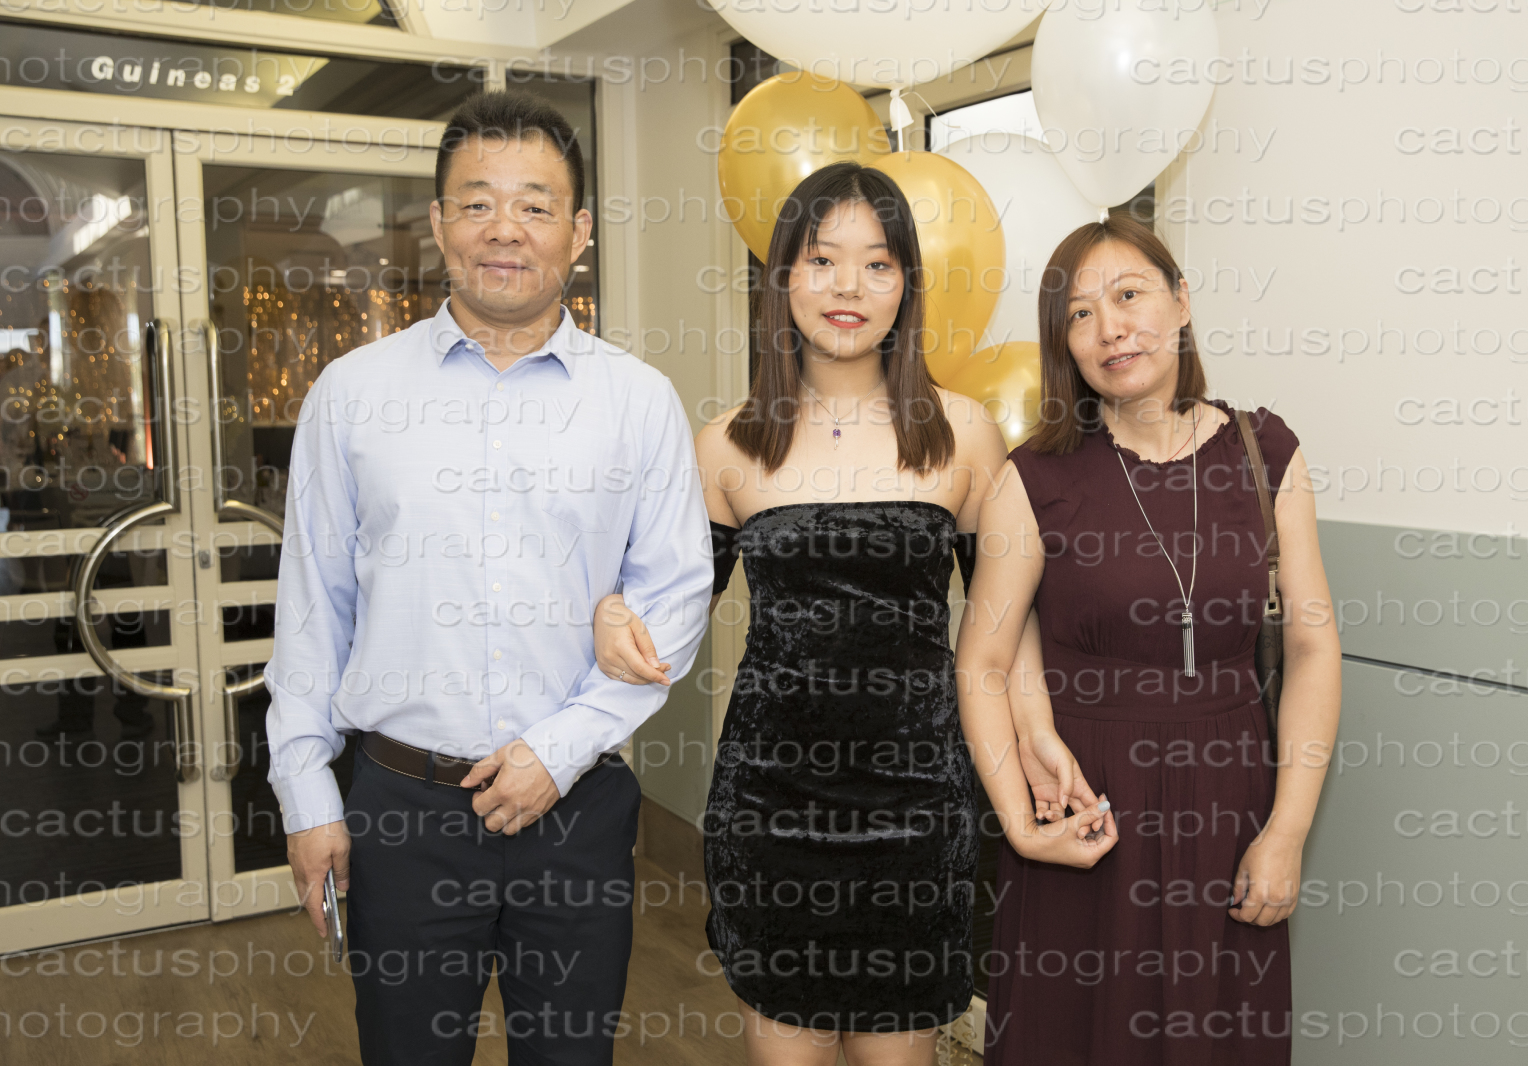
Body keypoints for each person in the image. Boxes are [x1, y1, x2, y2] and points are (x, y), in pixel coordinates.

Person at [592, 159, 1098, 1066]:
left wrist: (1037, 740)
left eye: (877, 264)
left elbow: (1005, 627)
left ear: (907, 284)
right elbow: (667, 616)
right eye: (822, 260)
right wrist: (608, 611)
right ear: (783, 277)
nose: (848, 288)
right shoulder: (726, 445)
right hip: (771, 808)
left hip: (919, 808)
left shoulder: (963, 433)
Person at [264, 92, 713, 1065]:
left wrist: (558, 749)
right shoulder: (354, 395)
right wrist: (307, 794)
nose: (504, 229)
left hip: (577, 808)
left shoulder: (638, 402)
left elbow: (675, 601)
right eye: (477, 203)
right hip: (400, 811)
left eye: (535, 205)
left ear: (579, 232)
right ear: (437, 223)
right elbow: (312, 611)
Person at [956, 213, 1342, 1064]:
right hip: (1085, 812)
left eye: (1128, 295)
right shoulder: (1035, 478)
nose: (1110, 327)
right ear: (1065, 343)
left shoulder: (1266, 452)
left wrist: (1286, 832)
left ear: (1181, 302)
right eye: (1080, 313)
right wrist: (1020, 823)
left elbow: (1313, 648)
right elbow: (982, 661)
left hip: (1230, 806)